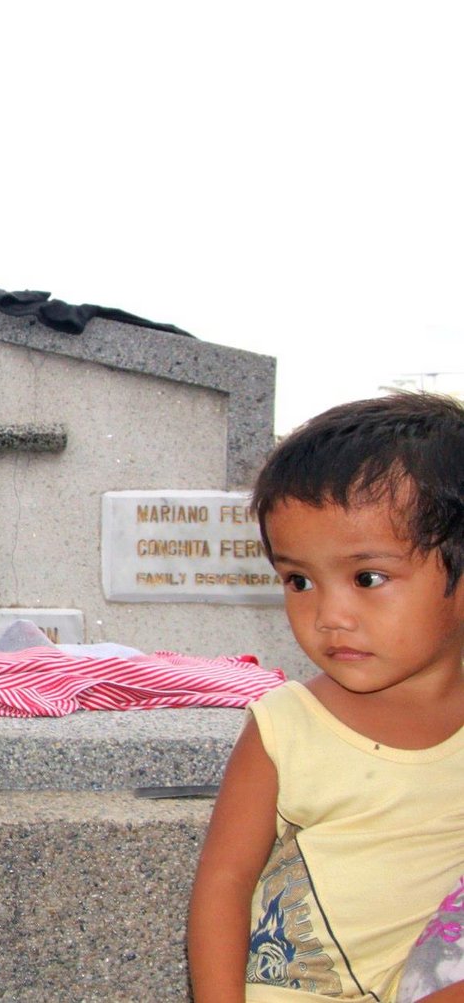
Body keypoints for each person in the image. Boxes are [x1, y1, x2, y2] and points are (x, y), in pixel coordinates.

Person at [187, 392, 464, 1002]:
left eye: (368, 578)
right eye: (299, 580)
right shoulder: (287, 726)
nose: (329, 616)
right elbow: (225, 880)